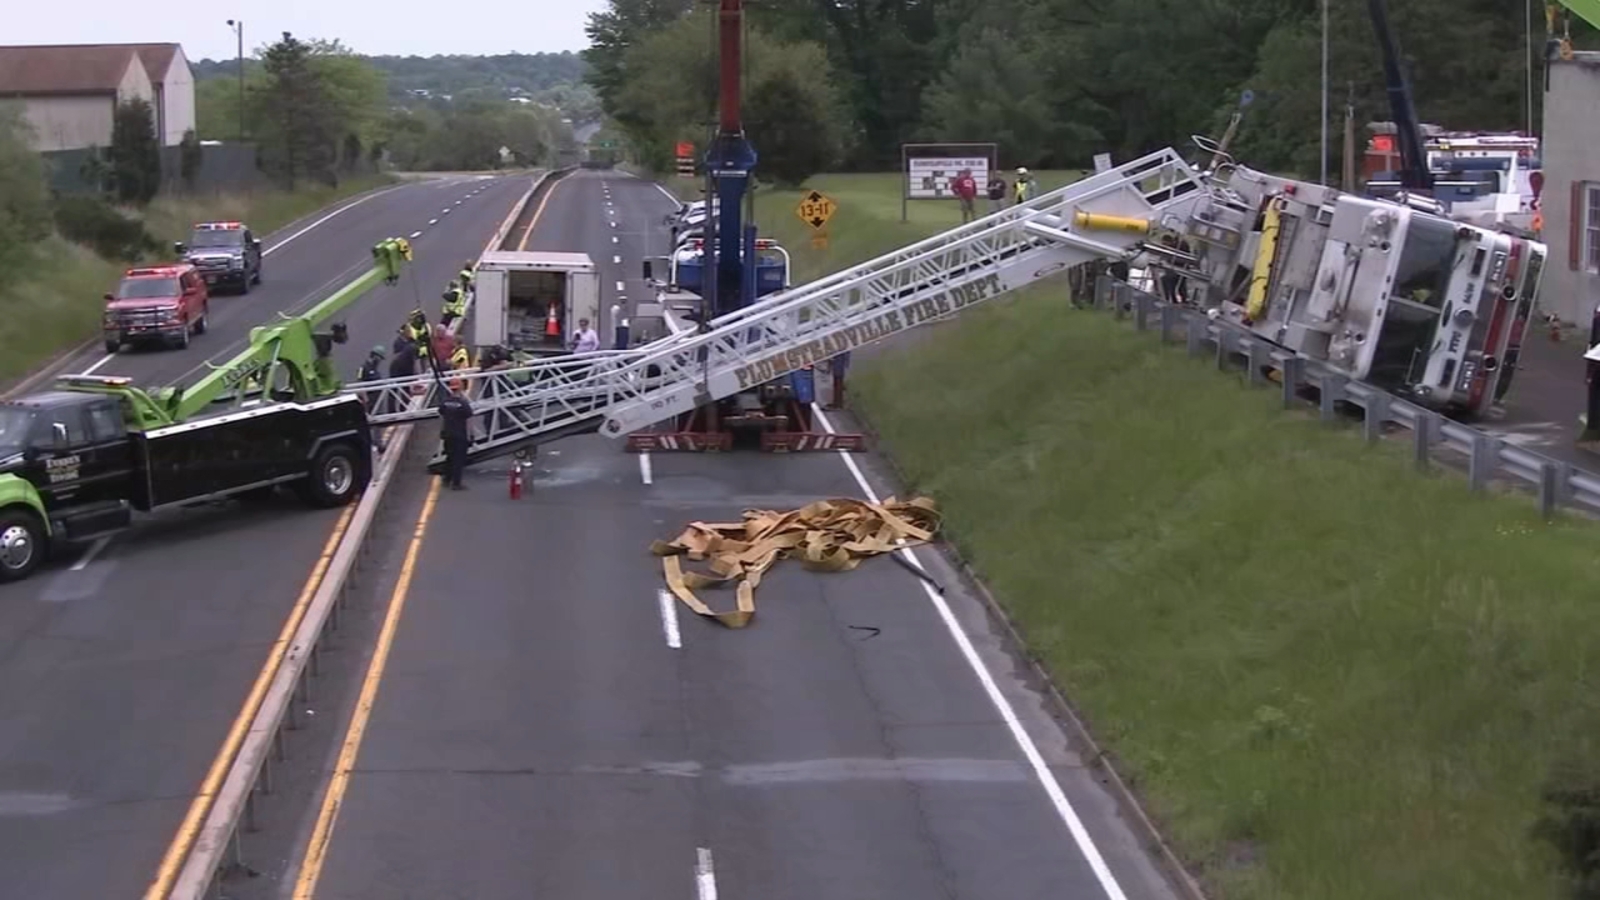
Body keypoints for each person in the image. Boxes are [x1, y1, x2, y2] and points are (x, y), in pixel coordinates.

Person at [438, 388, 474, 490]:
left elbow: (442, 416)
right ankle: (456, 483)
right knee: (459, 460)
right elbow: (469, 420)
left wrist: (442, 430)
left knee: (449, 457)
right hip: (459, 435)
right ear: (460, 389)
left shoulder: (445, 403)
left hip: (448, 434)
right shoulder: (463, 404)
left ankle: (446, 479)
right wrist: (471, 435)